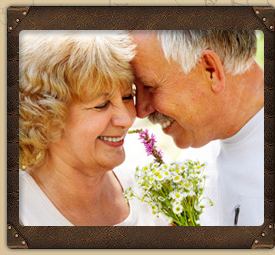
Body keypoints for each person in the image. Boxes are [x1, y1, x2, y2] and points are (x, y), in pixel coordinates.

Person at [19, 31, 169, 226]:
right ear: (46, 115)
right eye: (101, 105)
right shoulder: (19, 213)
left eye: (126, 97)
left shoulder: (150, 190)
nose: (126, 119)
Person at [130, 30, 264, 226]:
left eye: (149, 86)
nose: (140, 111)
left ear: (210, 70)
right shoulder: (188, 174)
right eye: (134, 90)